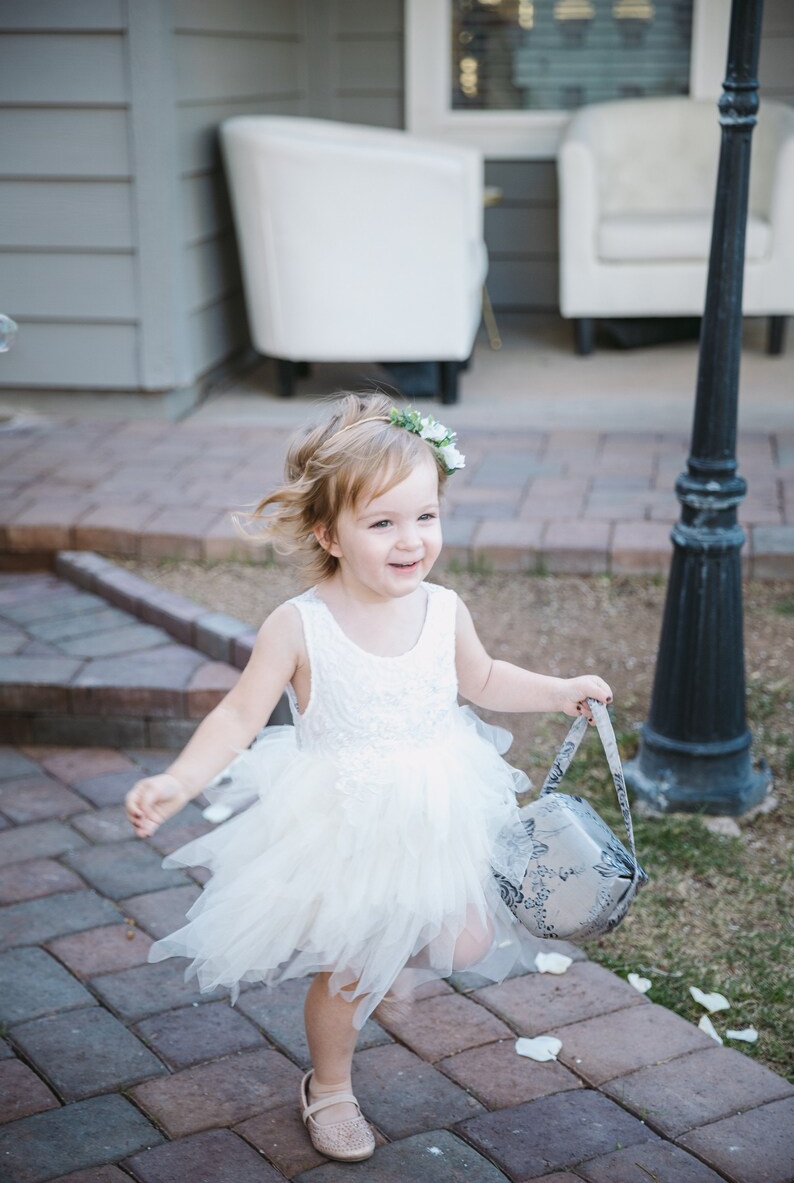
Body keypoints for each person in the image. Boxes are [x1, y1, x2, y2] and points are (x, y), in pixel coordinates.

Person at [125, 391, 613, 1164]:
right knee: (351, 967)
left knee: (468, 932)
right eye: (381, 522)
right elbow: (238, 716)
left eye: (425, 516)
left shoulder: (444, 607)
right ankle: (330, 1085)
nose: (410, 539)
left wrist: (558, 691)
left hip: (435, 801)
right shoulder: (300, 623)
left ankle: (396, 960)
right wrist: (180, 781)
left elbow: (483, 678)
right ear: (328, 531)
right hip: (344, 817)